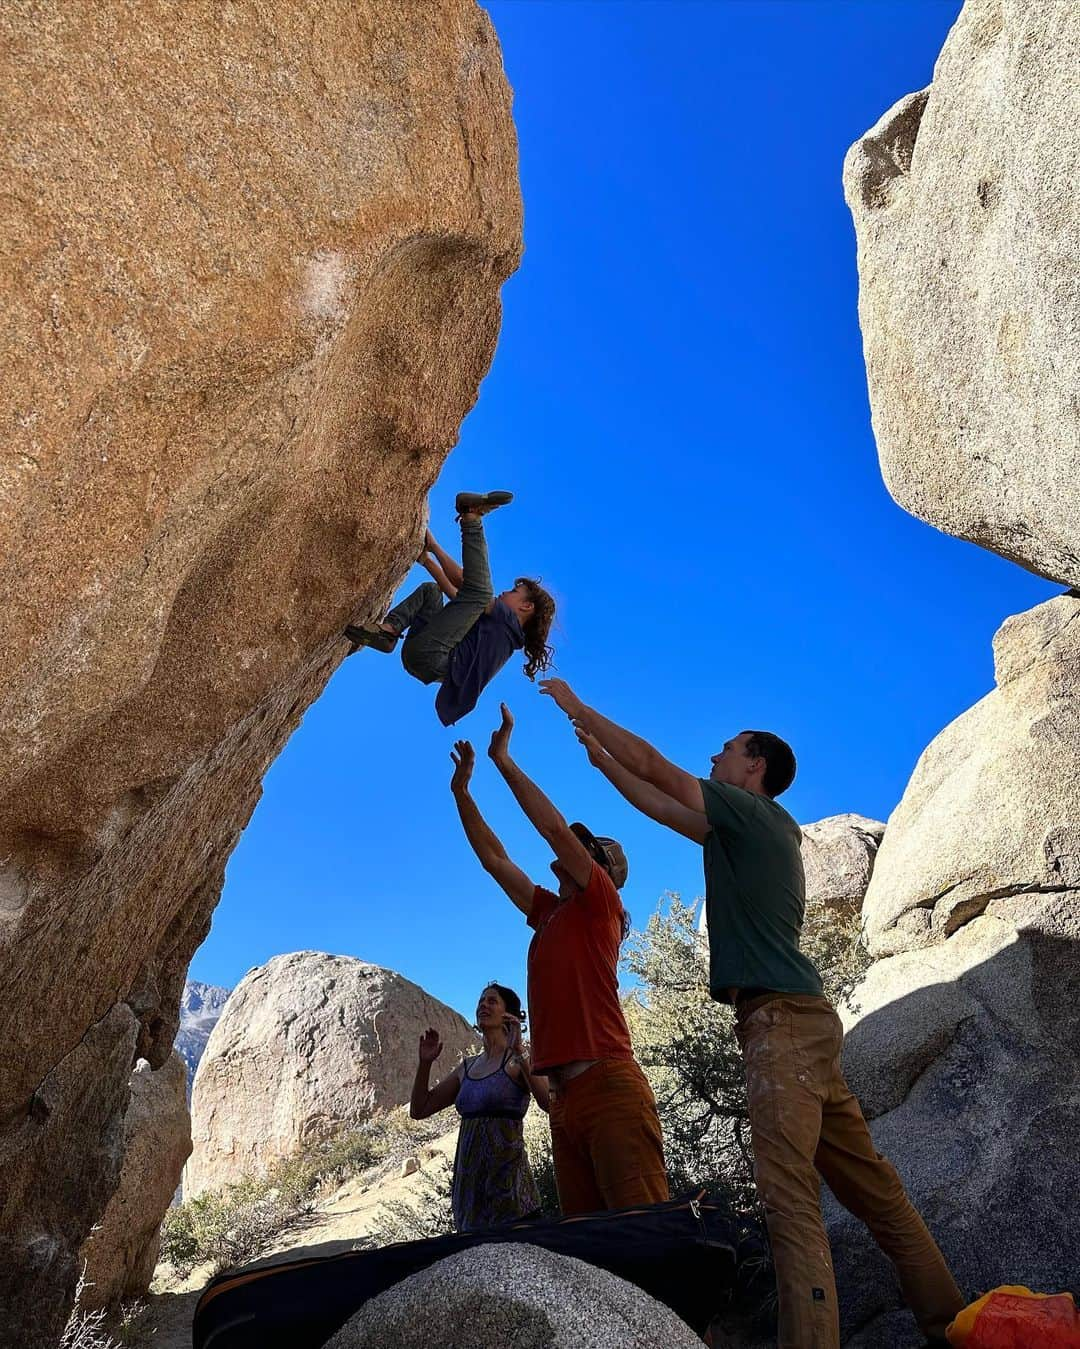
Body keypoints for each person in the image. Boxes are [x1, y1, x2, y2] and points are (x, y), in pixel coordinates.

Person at [538, 676, 965, 1349]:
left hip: (780, 1027)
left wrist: (577, 705)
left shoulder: (754, 815)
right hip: (805, 1021)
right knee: (875, 1189)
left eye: (726, 750)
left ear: (754, 766)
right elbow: (657, 801)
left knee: (789, 1199)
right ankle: (951, 1319)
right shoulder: (744, 831)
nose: (714, 759)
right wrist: (601, 760)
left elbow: (660, 771)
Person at [448, 703, 669, 1217]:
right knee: (589, 1246)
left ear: (600, 870)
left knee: (642, 1231)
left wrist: (504, 761)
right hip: (565, 1102)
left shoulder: (600, 904)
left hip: (609, 1085)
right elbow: (495, 860)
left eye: (584, 851)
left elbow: (553, 832)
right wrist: (463, 793)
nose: (572, 853)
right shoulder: (549, 913)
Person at [344, 491, 555, 726]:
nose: (505, 593)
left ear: (526, 606)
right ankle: (389, 631)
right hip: (421, 657)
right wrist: (428, 558)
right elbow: (457, 595)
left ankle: (472, 516)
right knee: (431, 592)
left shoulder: (506, 623)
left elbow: (469, 585)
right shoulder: (499, 632)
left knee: (480, 591)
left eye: (514, 593)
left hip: (433, 657)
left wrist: (457, 530)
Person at [409, 981, 548, 1233]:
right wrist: (425, 1064)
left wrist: (518, 1050)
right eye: (481, 1001)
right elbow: (420, 1109)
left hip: (512, 1193)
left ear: (509, 1015)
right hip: (470, 1196)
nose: (483, 1004)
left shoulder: (518, 1061)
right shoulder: (467, 1068)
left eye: (492, 1001)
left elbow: (547, 1102)